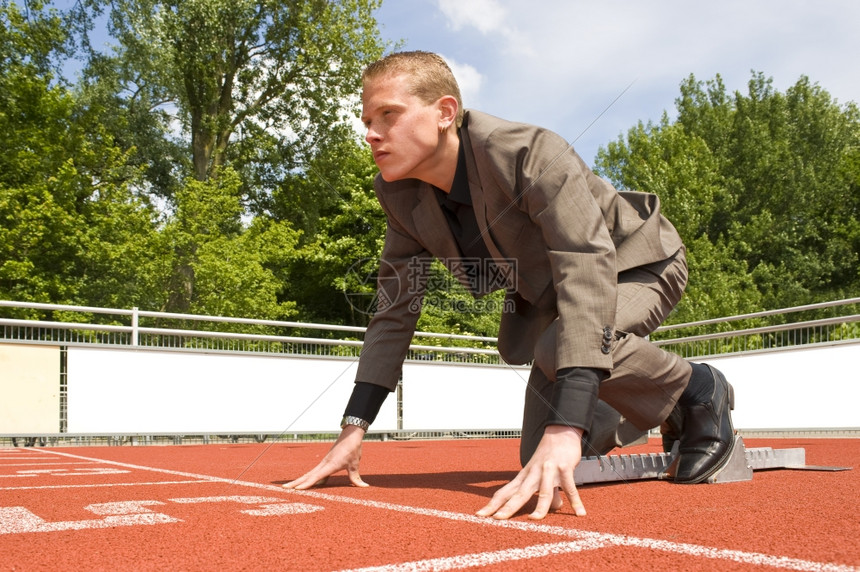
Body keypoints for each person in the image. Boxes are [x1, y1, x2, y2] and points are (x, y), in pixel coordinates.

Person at [284, 51, 736, 520]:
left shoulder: (526, 153)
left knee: (561, 361)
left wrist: (566, 430)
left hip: (637, 261)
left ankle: (700, 387)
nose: (372, 133)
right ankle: (662, 406)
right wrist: (353, 429)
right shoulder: (401, 195)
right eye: (367, 120)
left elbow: (585, 263)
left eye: (388, 115)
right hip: (555, 299)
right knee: (534, 461)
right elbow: (395, 308)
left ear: (444, 113)